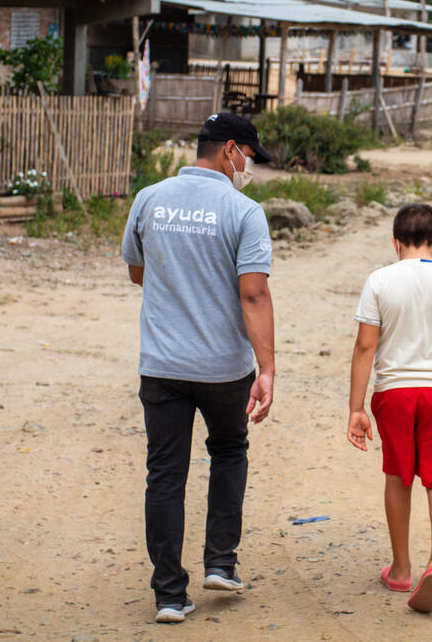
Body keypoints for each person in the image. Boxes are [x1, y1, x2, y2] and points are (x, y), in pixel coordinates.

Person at [121, 112, 277, 624]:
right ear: (230, 150)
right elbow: (253, 292)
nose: (247, 167)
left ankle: (169, 594)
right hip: (222, 368)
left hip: (162, 364)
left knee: (164, 473)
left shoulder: (149, 198)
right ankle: (220, 563)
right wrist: (267, 367)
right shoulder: (244, 211)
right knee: (229, 451)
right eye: (249, 157)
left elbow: (137, 271)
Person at [346, 204, 432, 614]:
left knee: (398, 473)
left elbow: (365, 345)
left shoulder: (380, 281)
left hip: (395, 394)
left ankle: (402, 569)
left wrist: (356, 408)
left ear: (395, 242)